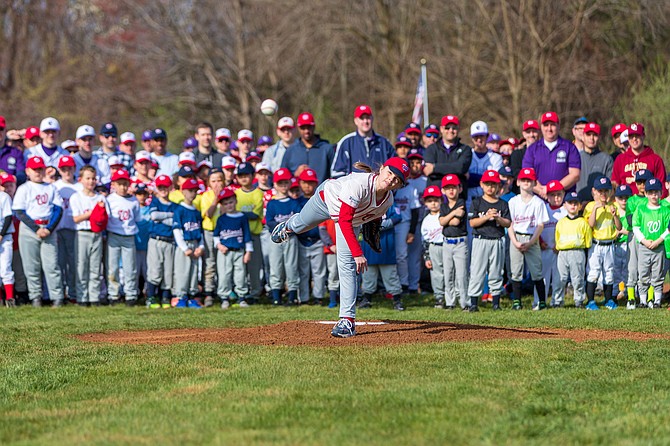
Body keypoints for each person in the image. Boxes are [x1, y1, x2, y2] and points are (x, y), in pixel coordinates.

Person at [271, 157, 409, 338]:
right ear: (382, 168)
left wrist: (371, 229)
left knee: (347, 265)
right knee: (300, 225)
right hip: (326, 200)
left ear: (399, 185)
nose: (391, 179)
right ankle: (286, 226)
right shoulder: (360, 184)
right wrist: (358, 252)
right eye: (390, 173)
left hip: (351, 220)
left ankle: (347, 320)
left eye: (397, 179)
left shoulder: (388, 201)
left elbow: (372, 218)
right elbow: (344, 219)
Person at [13, 156, 64, 307]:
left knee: (52, 265)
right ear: (28, 171)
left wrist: (48, 229)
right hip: (29, 229)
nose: (38, 172)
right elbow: (19, 212)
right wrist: (36, 229)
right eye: (35, 169)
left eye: (40, 169)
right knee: (31, 266)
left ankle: (57, 297)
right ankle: (35, 297)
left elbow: (58, 209)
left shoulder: (51, 187)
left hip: (48, 227)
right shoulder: (24, 188)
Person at [466, 170, 511, 311]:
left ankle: (496, 302)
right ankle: (473, 303)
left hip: (497, 239)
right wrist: (486, 217)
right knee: (477, 271)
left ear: (498, 186)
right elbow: (472, 223)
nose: (490, 187)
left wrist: (497, 217)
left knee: (496, 271)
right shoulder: (477, 202)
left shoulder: (502, 204)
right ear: (481, 185)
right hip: (480, 239)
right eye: (487, 184)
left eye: (493, 184)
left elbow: (508, 223)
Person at [508, 168, 549, 310]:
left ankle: (542, 302)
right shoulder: (513, 201)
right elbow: (509, 224)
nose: (526, 183)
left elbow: (541, 225)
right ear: (518, 182)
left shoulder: (538, 203)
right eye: (523, 180)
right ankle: (517, 302)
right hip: (516, 236)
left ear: (533, 183)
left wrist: (531, 242)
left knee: (536, 271)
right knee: (516, 271)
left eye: (529, 180)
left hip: (532, 237)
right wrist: (515, 241)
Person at [70, 165, 107, 306]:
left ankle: (94, 297)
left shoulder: (100, 198)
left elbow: (103, 217)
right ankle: (82, 297)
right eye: (87, 178)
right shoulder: (76, 197)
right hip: (82, 233)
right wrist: (92, 213)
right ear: (81, 180)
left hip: (96, 234)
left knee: (95, 267)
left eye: (93, 178)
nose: (91, 182)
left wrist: (98, 213)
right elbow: (76, 218)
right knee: (81, 266)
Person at [583, 176, 622, 310]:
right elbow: (591, 224)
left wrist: (615, 215)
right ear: (594, 191)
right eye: (600, 191)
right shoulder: (590, 206)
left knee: (609, 272)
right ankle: (591, 301)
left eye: (606, 191)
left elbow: (619, 227)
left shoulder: (614, 206)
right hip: (596, 244)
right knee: (593, 272)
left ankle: (608, 300)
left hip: (609, 244)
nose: (603, 194)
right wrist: (595, 209)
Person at [522, 111, 581, 198]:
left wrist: (553, 190)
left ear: (558, 126)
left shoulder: (570, 147)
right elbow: (528, 176)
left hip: (564, 201)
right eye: (546, 125)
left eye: (552, 125)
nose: (549, 129)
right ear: (541, 127)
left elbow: (575, 175)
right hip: (539, 199)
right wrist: (542, 191)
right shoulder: (532, 149)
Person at [266, 168, 301, 306]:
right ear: (274, 185)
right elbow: (269, 221)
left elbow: (299, 220)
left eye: (286, 182)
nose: (283, 186)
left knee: (291, 266)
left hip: (290, 238)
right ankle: (276, 297)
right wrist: (283, 226)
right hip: (275, 239)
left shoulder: (293, 202)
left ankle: (292, 296)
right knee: (275, 266)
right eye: (280, 183)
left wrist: (286, 228)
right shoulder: (272, 203)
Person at [358, 206, 405, 311]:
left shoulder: (390, 204)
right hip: (369, 246)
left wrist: (377, 226)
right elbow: (357, 221)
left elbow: (397, 217)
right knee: (368, 276)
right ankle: (366, 299)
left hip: (386, 246)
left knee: (390, 275)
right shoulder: (365, 204)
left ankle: (397, 300)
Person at [633, 178, 670, 308]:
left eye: (657, 192)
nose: (654, 195)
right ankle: (643, 301)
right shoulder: (641, 209)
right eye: (651, 192)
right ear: (647, 194)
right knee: (643, 274)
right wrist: (644, 240)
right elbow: (636, 227)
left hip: (659, 247)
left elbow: (668, 229)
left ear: (661, 193)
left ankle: (657, 301)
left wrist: (659, 240)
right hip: (644, 247)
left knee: (658, 275)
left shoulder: (665, 210)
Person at [330, 105, 395, 179]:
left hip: (379, 190)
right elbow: (337, 173)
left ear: (372, 118)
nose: (365, 121)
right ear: (356, 121)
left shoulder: (384, 143)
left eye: (368, 118)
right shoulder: (346, 142)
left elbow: (394, 170)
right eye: (362, 118)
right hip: (352, 189)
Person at [106, 169, 140, 305]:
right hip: (113, 234)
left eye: (125, 184)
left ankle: (130, 294)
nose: (123, 187)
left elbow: (136, 218)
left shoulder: (133, 201)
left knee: (130, 267)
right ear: (114, 185)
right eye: (119, 184)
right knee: (112, 266)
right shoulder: (110, 200)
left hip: (129, 236)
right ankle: (113, 294)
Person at [214, 188, 252, 309]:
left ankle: (241, 297)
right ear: (222, 206)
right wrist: (219, 246)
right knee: (224, 275)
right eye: (225, 204)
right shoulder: (221, 219)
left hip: (239, 251)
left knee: (240, 275)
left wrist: (248, 252)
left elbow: (247, 235)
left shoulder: (242, 217)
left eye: (230, 202)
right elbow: (215, 236)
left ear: (235, 201)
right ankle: (224, 298)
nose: (228, 205)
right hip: (225, 252)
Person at [295, 168, 327, 305]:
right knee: (303, 272)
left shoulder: (320, 200)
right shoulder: (296, 202)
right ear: (300, 184)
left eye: (311, 182)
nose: (308, 186)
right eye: (304, 182)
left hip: (318, 241)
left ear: (316, 184)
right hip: (302, 241)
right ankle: (304, 298)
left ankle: (318, 297)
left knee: (319, 272)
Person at [172, 178, 205, 308]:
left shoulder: (196, 211)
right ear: (183, 192)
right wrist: (184, 248)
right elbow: (177, 231)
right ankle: (181, 297)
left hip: (195, 243)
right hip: (184, 245)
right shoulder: (179, 210)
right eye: (190, 190)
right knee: (182, 271)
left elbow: (200, 231)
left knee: (194, 272)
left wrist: (201, 246)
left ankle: (192, 296)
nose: (193, 193)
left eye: (195, 191)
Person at [234, 162, 264, 303]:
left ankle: (255, 293)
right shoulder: (236, 193)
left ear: (253, 176)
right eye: (241, 176)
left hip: (253, 234)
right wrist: (244, 213)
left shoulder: (258, 193)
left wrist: (239, 214)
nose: (244, 178)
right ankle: (241, 292)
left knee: (254, 266)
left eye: (246, 175)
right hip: (238, 235)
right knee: (240, 266)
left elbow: (255, 214)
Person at [555, 191, 592, 307]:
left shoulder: (583, 222)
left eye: (576, 203)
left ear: (580, 206)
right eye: (570, 203)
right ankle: (557, 301)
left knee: (578, 278)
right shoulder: (561, 222)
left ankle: (579, 300)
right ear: (565, 205)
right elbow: (557, 238)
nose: (573, 206)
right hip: (563, 253)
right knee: (560, 278)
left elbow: (588, 240)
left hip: (577, 252)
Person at [439, 174, 469, 310]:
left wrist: (448, 218)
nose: (451, 190)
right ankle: (450, 302)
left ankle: (464, 302)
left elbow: (456, 222)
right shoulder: (444, 206)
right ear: (443, 190)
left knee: (461, 274)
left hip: (460, 242)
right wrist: (452, 214)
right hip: (447, 242)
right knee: (448, 274)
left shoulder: (461, 203)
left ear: (460, 188)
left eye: (454, 187)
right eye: (448, 188)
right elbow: (442, 221)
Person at [534, 180, 566, 308]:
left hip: (560, 249)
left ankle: (557, 301)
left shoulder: (565, 210)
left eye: (559, 194)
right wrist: (540, 242)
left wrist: (560, 244)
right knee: (542, 277)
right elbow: (537, 227)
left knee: (559, 277)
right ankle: (539, 301)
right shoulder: (543, 208)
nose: (556, 198)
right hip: (544, 248)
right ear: (547, 196)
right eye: (552, 195)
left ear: (563, 194)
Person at [146, 174, 176, 309]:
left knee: (168, 271)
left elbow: (174, 223)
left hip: (170, 241)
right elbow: (153, 215)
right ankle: (151, 297)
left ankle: (165, 297)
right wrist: (169, 216)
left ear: (171, 187)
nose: (163, 189)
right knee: (155, 270)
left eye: (166, 186)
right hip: (156, 240)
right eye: (160, 187)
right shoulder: (155, 202)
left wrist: (161, 218)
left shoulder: (175, 205)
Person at [611, 123, 667, 195]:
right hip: (626, 202)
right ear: (628, 138)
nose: (634, 139)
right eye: (631, 136)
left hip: (648, 203)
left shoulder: (655, 159)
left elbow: (662, 186)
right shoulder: (620, 159)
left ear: (643, 136)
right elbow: (615, 185)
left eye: (637, 135)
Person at [423, 115, 473, 192]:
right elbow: (428, 171)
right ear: (441, 129)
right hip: (436, 196)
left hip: (458, 196)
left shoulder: (465, 149)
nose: (450, 130)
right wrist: (455, 169)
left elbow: (461, 167)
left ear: (458, 129)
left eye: (454, 128)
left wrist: (435, 168)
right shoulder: (431, 149)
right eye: (447, 128)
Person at [282, 112, 334, 185]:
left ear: (314, 126)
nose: (306, 131)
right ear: (298, 128)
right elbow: (282, 178)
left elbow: (335, 175)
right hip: (297, 194)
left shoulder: (327, 148)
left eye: (309, 127)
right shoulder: (291, 150)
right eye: (303, 128)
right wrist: (294, 176)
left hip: (322, 194)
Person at [54, 155, 79, 303]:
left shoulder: (80, 186)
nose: (67, 171)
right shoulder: (55, 186)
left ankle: (73, 293)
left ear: (74, 168)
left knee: (73, 262)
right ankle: (61, 293)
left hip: (74, 229)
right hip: (57, 229)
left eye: (69, 168)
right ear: (59, 170)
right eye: (63, 168)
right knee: (59, 263)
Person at [199, 168, 224, 306]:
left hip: (224, 232)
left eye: (219, 180)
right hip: (209, 230)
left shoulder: (229, 195)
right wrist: (216, 198)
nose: (216, 184)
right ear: (208, 183)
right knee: (210, 262)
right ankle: (208, 292)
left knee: (224, 263)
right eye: (213, 181)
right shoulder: (206, 196)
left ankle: (223, 291)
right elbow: (208, 213)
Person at [421, 185, 446, 308]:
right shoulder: (426, 220)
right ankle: (439, 297)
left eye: (436, 200)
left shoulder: (445, 215)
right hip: (433, 247)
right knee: (436, 274)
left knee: (450, 272)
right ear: (425, 203)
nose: (434, 204)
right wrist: (427, 257)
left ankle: (451, 297)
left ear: (441, 200)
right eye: (430, 201)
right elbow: (424, 240)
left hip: (446, 245)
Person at [466, 120, 503, 205]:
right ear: (472, 138)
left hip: (490, 202)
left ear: (487, 136)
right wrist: (487, 179)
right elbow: (465, 180)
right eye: (476, 137)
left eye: (482, 136)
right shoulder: (466, 156)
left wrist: (471, 177)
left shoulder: (496, 158)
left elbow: (496, 181)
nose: (479, 139)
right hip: (469, 201)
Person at [576, 122, 613, 201]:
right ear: (583, 136)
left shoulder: (606, 159)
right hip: (577, 205)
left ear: (599, 137)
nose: (591, 138)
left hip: (599, 205)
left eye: (595, 135)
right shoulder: (575, 157)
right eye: (588, 134)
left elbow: (610, 186)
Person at [613, 184, 632, 306]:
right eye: (621, 198)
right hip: (615, 245)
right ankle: (615, 294)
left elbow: (637, 229)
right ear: (616, 199)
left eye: (626, 197)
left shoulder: (632, 212)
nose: (624, 200)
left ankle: (627, 293)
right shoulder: (613, 211)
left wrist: (623, 231)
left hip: (628, 244)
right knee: (615, 271)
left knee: (628, 270)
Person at [0, 171, 14, 306]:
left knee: (5, 268)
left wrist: (1, 234)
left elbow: (8, 217)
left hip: (5, 236)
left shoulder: (3, 196)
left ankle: (10, 299)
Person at [0, 116, 26, 184]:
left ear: (5, 131)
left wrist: (9, 179)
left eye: (1, 129)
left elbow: (21, 175)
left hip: (9, 190)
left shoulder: (16, 152)